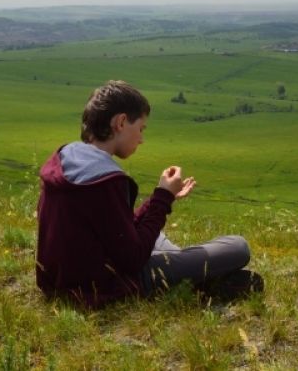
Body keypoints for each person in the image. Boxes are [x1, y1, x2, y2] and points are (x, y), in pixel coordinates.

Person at [36, 80, 263, 308]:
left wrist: (162, 196)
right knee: (238, 247)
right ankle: (204, 282)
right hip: (106, 285)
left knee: (159, 237)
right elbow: (133, 258)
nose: (142, 139)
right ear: (121, 122)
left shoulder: (66, 159)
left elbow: (116, 232)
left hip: (62, 281)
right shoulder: (104, 179)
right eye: (141, 128)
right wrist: (163, 198)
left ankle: (199, 279)